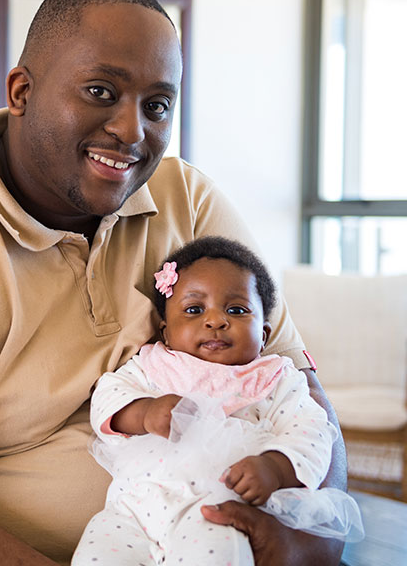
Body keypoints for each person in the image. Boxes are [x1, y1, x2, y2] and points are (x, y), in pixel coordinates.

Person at [0, 0, 346, 566]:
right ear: (20, 92)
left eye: (158, 105)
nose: (132, 130)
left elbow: (299, 386)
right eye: (99, 90)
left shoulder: (189, 201)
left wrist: (316, 534)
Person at [73, 236, 362, 565]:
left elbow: (311, 429)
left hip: (217, 512)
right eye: (194, 310)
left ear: (264, 336)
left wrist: (276, 466)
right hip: (133, 510)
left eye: (236, 310)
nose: (215, 321)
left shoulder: (275, 378)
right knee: (96, 557)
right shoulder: (153, 365)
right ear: (166, 331)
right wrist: (144, 412)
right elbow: (109, 394)